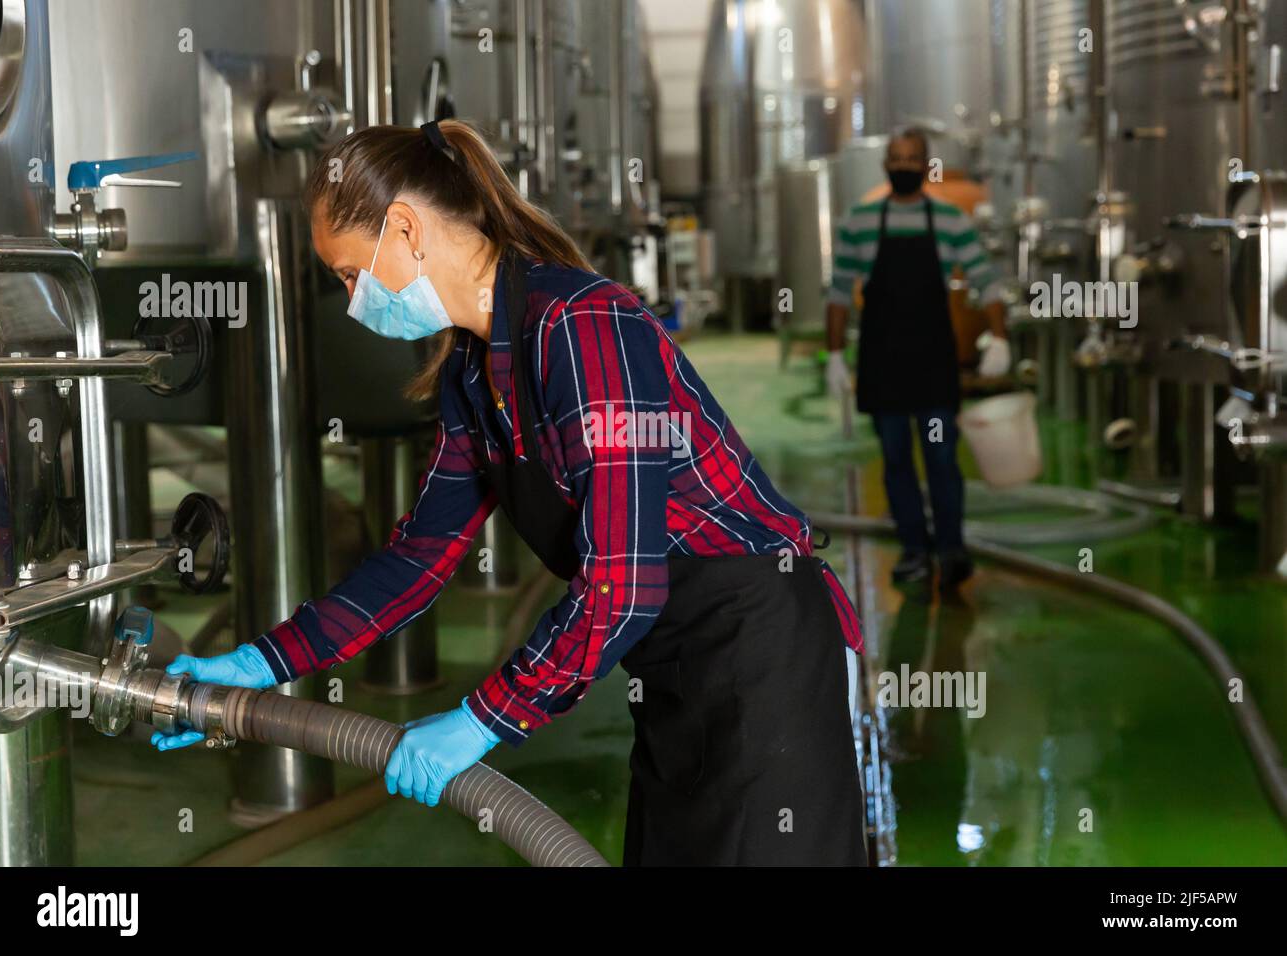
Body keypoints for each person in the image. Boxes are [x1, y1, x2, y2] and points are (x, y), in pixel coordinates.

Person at [152, 120, 868, 867]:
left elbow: (623, 586)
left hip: (763, 654)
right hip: (672, 671)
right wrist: (263, 662)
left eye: (348, 275)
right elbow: (416, 560)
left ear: (405, 229)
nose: (352, 299)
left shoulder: (586, 329)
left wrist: (480, 721)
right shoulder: (473, 374)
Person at [825, 127, 1009, 589]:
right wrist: (833, 355)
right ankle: (913, 550)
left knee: (942, 457)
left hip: (932, 361)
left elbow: (986, 281)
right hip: (883, 361)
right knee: (895, 459)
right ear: (885, 164)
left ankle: (950, 549)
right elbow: (839, 293)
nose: (903, 166)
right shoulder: (860, 220)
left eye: (912, 159)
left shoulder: (951, 220)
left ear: (926, 167)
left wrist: (1000, 338)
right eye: (896, 158)